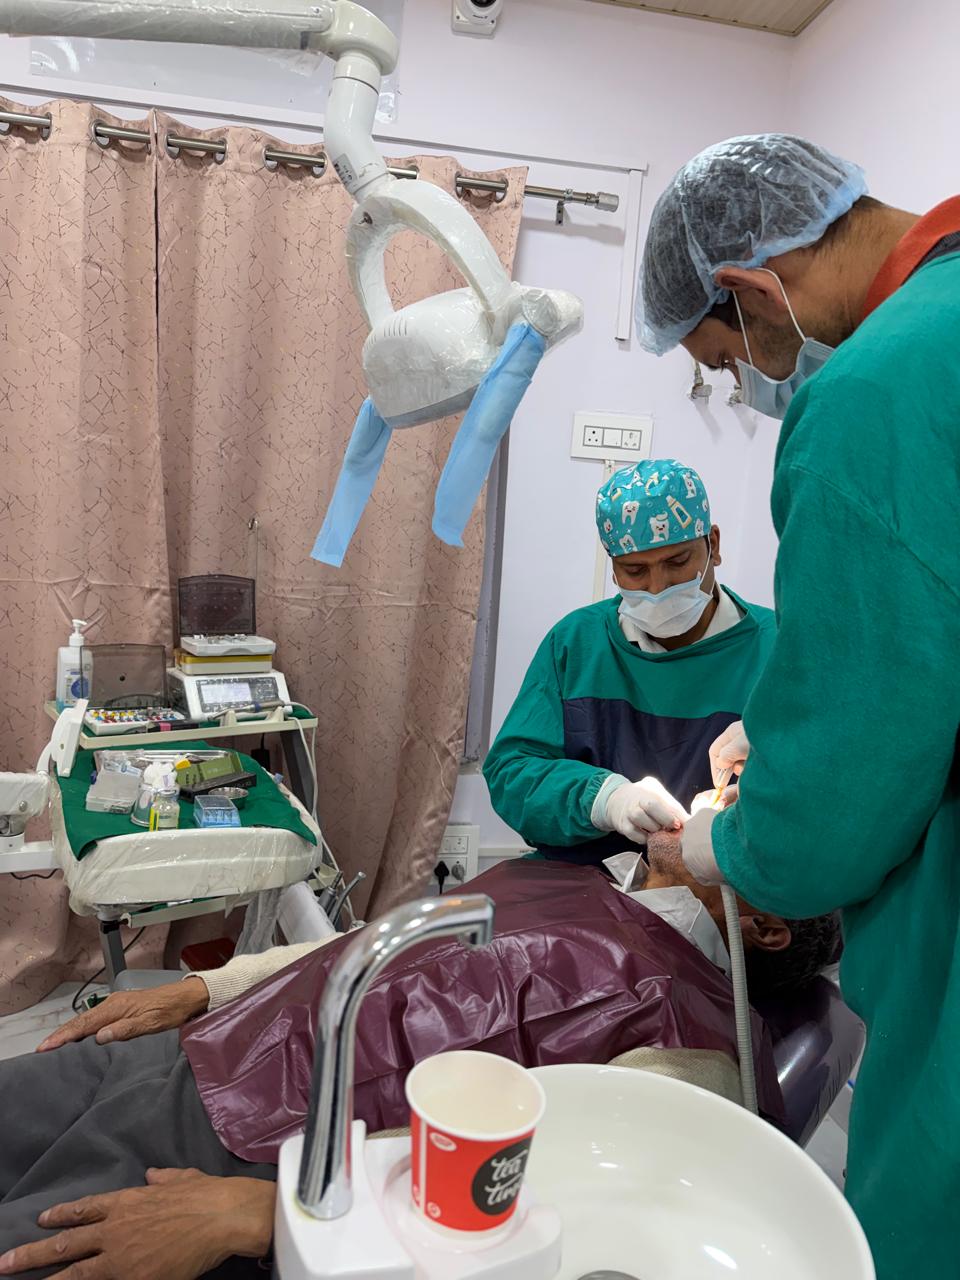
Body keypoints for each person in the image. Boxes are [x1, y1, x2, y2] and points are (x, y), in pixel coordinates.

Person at [636, 132, 960, 1279]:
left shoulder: (876, 393)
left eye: (725, 358)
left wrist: (729, 843)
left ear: (749, 287)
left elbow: (833, 807)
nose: (743, 384)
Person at [0, 856, 838, 1280]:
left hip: (247, 1165)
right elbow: (376, 942)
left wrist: (268, 1219)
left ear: (764, 925)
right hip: (207, 1045)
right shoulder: (574, 877)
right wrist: (203, 989)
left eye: (740, 800)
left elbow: (547, 1212)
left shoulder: (695, 1046)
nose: (713, 793)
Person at [483, 458, 775, 864]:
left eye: (677, 562)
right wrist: (603, 798)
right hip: (585, 880)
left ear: (714, 545)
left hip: (727, 883)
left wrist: (779, 761)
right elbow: (513, 775)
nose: (658, 587)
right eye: (635, 570)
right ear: (614, 569)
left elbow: (837, 775)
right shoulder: (576, 643)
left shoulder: (779, 649)